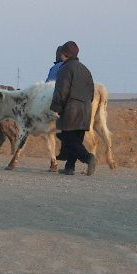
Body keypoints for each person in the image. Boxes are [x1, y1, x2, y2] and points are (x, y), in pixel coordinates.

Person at [50, 41, 97, 176]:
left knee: (66, 137)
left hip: (71, 111)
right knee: (76, 140)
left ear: (64, 54)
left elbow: (61, 91)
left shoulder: (65, 69)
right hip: (86, 111)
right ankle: (69, 167)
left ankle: (88, 158)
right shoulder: (85, 69)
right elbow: (91, 92)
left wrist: (55, 108)